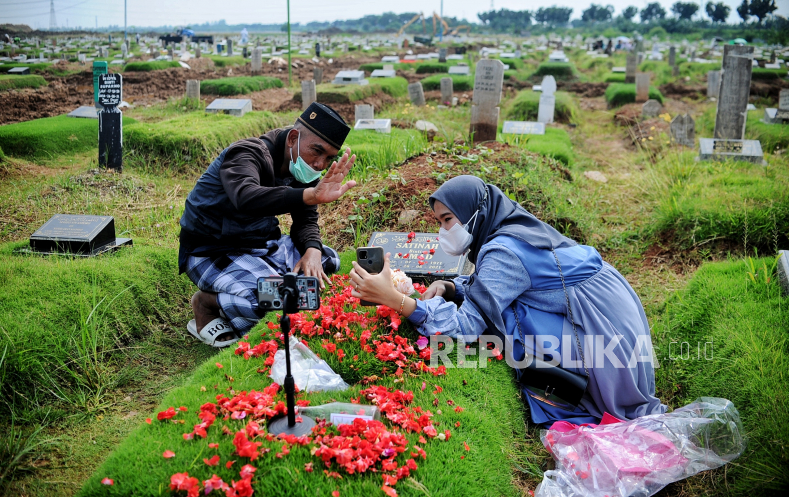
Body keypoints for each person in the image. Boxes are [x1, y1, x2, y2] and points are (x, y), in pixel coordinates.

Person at [350, 175, 666, 426]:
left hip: (605, 335)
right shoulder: (511, 228)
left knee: (514, 321)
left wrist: (396, 300)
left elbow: (464, 328)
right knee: (511, 310)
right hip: (610, 311)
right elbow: (493, 284)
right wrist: (450, 287)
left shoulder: (503, 250)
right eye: (440, 221)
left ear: (475, 213)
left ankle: (589, 391)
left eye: (448, 220)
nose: (443, 230)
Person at [179, 102, 357, 347]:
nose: (319, 165)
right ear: (293, 138)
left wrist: (312, 250)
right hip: (213, 251)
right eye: (317, 151)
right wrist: (309, 195)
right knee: (270, 302)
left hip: (262, 245)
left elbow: (306, 219)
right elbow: (246, 197)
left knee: (328, 262)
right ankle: (206, 303)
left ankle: (269, 278)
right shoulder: (246, 153)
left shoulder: (300, 167)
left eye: (329, 158)